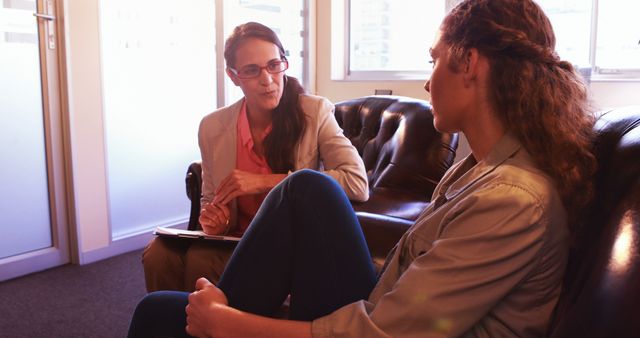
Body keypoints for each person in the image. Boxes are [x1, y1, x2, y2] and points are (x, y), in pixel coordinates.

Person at [128, 0, 597, 336]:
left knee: (162, 314)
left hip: (381, 326)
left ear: (470, 63)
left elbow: (383, 332)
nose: (428, 82)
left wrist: (232, 325)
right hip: (385, 304)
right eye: (251, 71)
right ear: (235, 77)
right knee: (303, 194)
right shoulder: (478, 168)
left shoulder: (513, 198)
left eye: (434, 61)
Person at [141, 22, 369, 292]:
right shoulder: (212, 126)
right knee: (158, 254)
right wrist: (216, 221)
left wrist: (262, 181)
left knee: (200, 260)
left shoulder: (314, 112)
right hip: (236, 239)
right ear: (233, 76)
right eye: (252, 70)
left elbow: (357, 182)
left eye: (274, 65)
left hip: (288, 242)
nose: (268, 79)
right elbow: (210, 199)